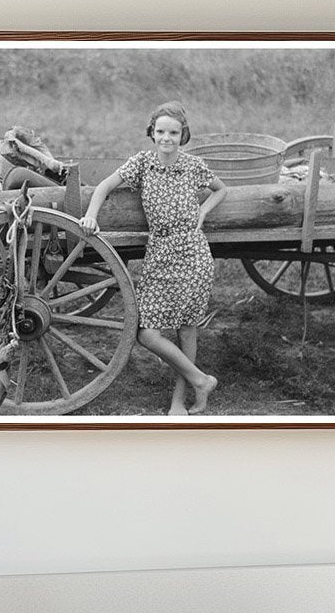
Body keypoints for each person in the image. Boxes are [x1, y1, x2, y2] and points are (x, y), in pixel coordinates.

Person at [80, 101, 227, 415]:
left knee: (187, 328)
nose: (167, 138)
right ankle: (201, 380)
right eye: (161, 131)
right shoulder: (142, 163)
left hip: (192, 253)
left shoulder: (193, 165)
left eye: (173, 132)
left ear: (182, 134)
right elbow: (104, 186)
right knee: (147, 333)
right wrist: (91, 216)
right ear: (152, 133)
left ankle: (180, 400)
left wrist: (203, 210)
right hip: (159, 254)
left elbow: (220, 189)